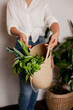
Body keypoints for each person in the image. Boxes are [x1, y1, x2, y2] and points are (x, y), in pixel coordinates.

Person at [6, 0, 59, 110]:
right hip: (23, 44)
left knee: (36, 84)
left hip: (39, 43)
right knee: (26, 91)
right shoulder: (13, 3)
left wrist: (56, 32)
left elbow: (51, 20)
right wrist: (20, 33)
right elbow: (11, 25)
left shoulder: (42, 3)